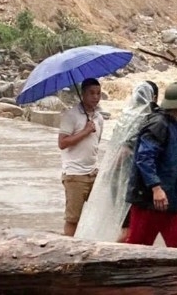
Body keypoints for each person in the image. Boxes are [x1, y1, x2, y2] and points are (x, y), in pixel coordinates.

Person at [74, 81, 158, 243]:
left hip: (116, 178)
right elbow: (125, 150)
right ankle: (113, 256)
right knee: (129, 229)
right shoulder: (147, 118)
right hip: (130, 181)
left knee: (125, 224)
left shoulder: (126, 116)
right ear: (153, 97)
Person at [125, 81, 177, 249]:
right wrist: (156, 188)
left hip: (172, 199)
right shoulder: (158, 124)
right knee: (137, 248)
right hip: (149, 199)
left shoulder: (173, 124)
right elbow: (144, 158)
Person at [58, 77, 104, 237]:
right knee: (73, 218)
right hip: (75, 174)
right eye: (91, 93)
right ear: (82, 94)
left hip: (93, 172)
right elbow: (62, 143)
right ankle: (68, 251)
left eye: (98, 93)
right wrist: (84, 131)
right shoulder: (71, 116)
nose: (95, 97)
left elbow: (95, 143)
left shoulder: (99, 118)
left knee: (95, 216)